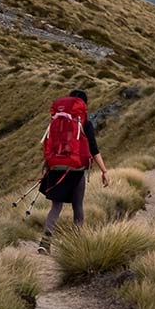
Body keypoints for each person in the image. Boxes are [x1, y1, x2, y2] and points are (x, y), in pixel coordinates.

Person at [38, 89, 108, 254]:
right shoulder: (84, 123)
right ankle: (78, 244)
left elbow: (49, 145)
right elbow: (93, 149)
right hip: (76, 169)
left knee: (56, 207)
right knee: (78, 206)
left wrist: (48, 166)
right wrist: (104, 171)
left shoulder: (57, 121)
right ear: (83, 105)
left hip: (55, 167)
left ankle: (45, 243)